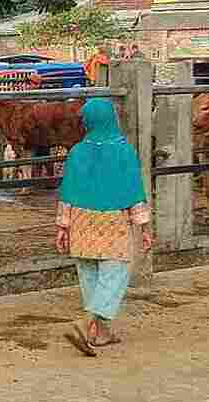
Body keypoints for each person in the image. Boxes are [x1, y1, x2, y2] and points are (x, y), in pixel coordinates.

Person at [54, 98, 154, 357]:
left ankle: (100, 333)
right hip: (113, 219)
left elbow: (68, 192)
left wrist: (62, 228)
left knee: (90, 276)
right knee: (115, 273)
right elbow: (133, 188)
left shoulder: (77, 152)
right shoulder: (124, 151)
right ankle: (87, 321)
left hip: (80, 220)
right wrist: (143, 227)